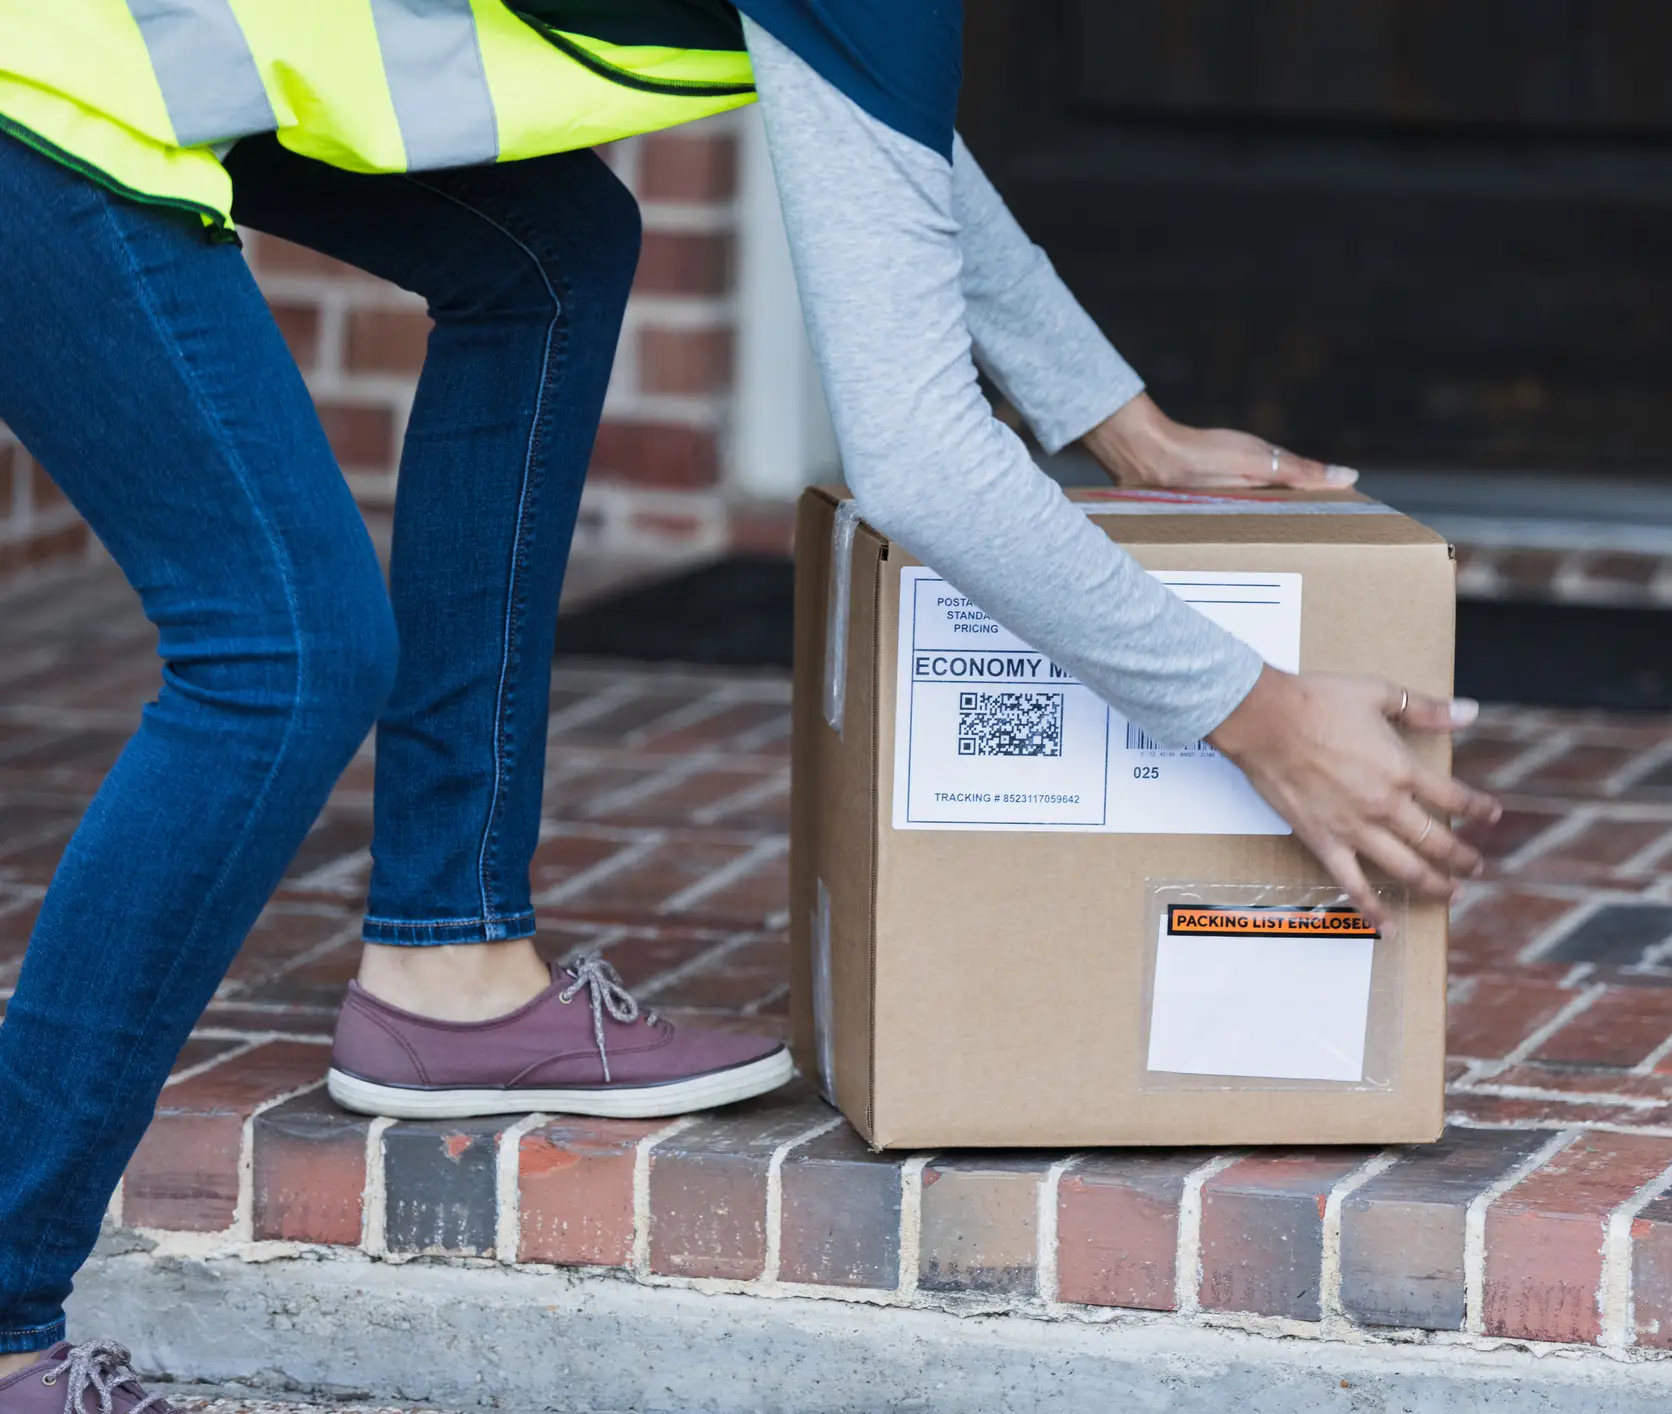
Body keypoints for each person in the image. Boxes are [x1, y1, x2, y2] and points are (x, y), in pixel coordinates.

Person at [0, 1, 1500, 1404]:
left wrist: (1122, 422)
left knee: (550, 252)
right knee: (291, 653)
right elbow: (919, 463)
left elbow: (877, 130)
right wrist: (1257, 713)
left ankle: (447, 969)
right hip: (43, 83)